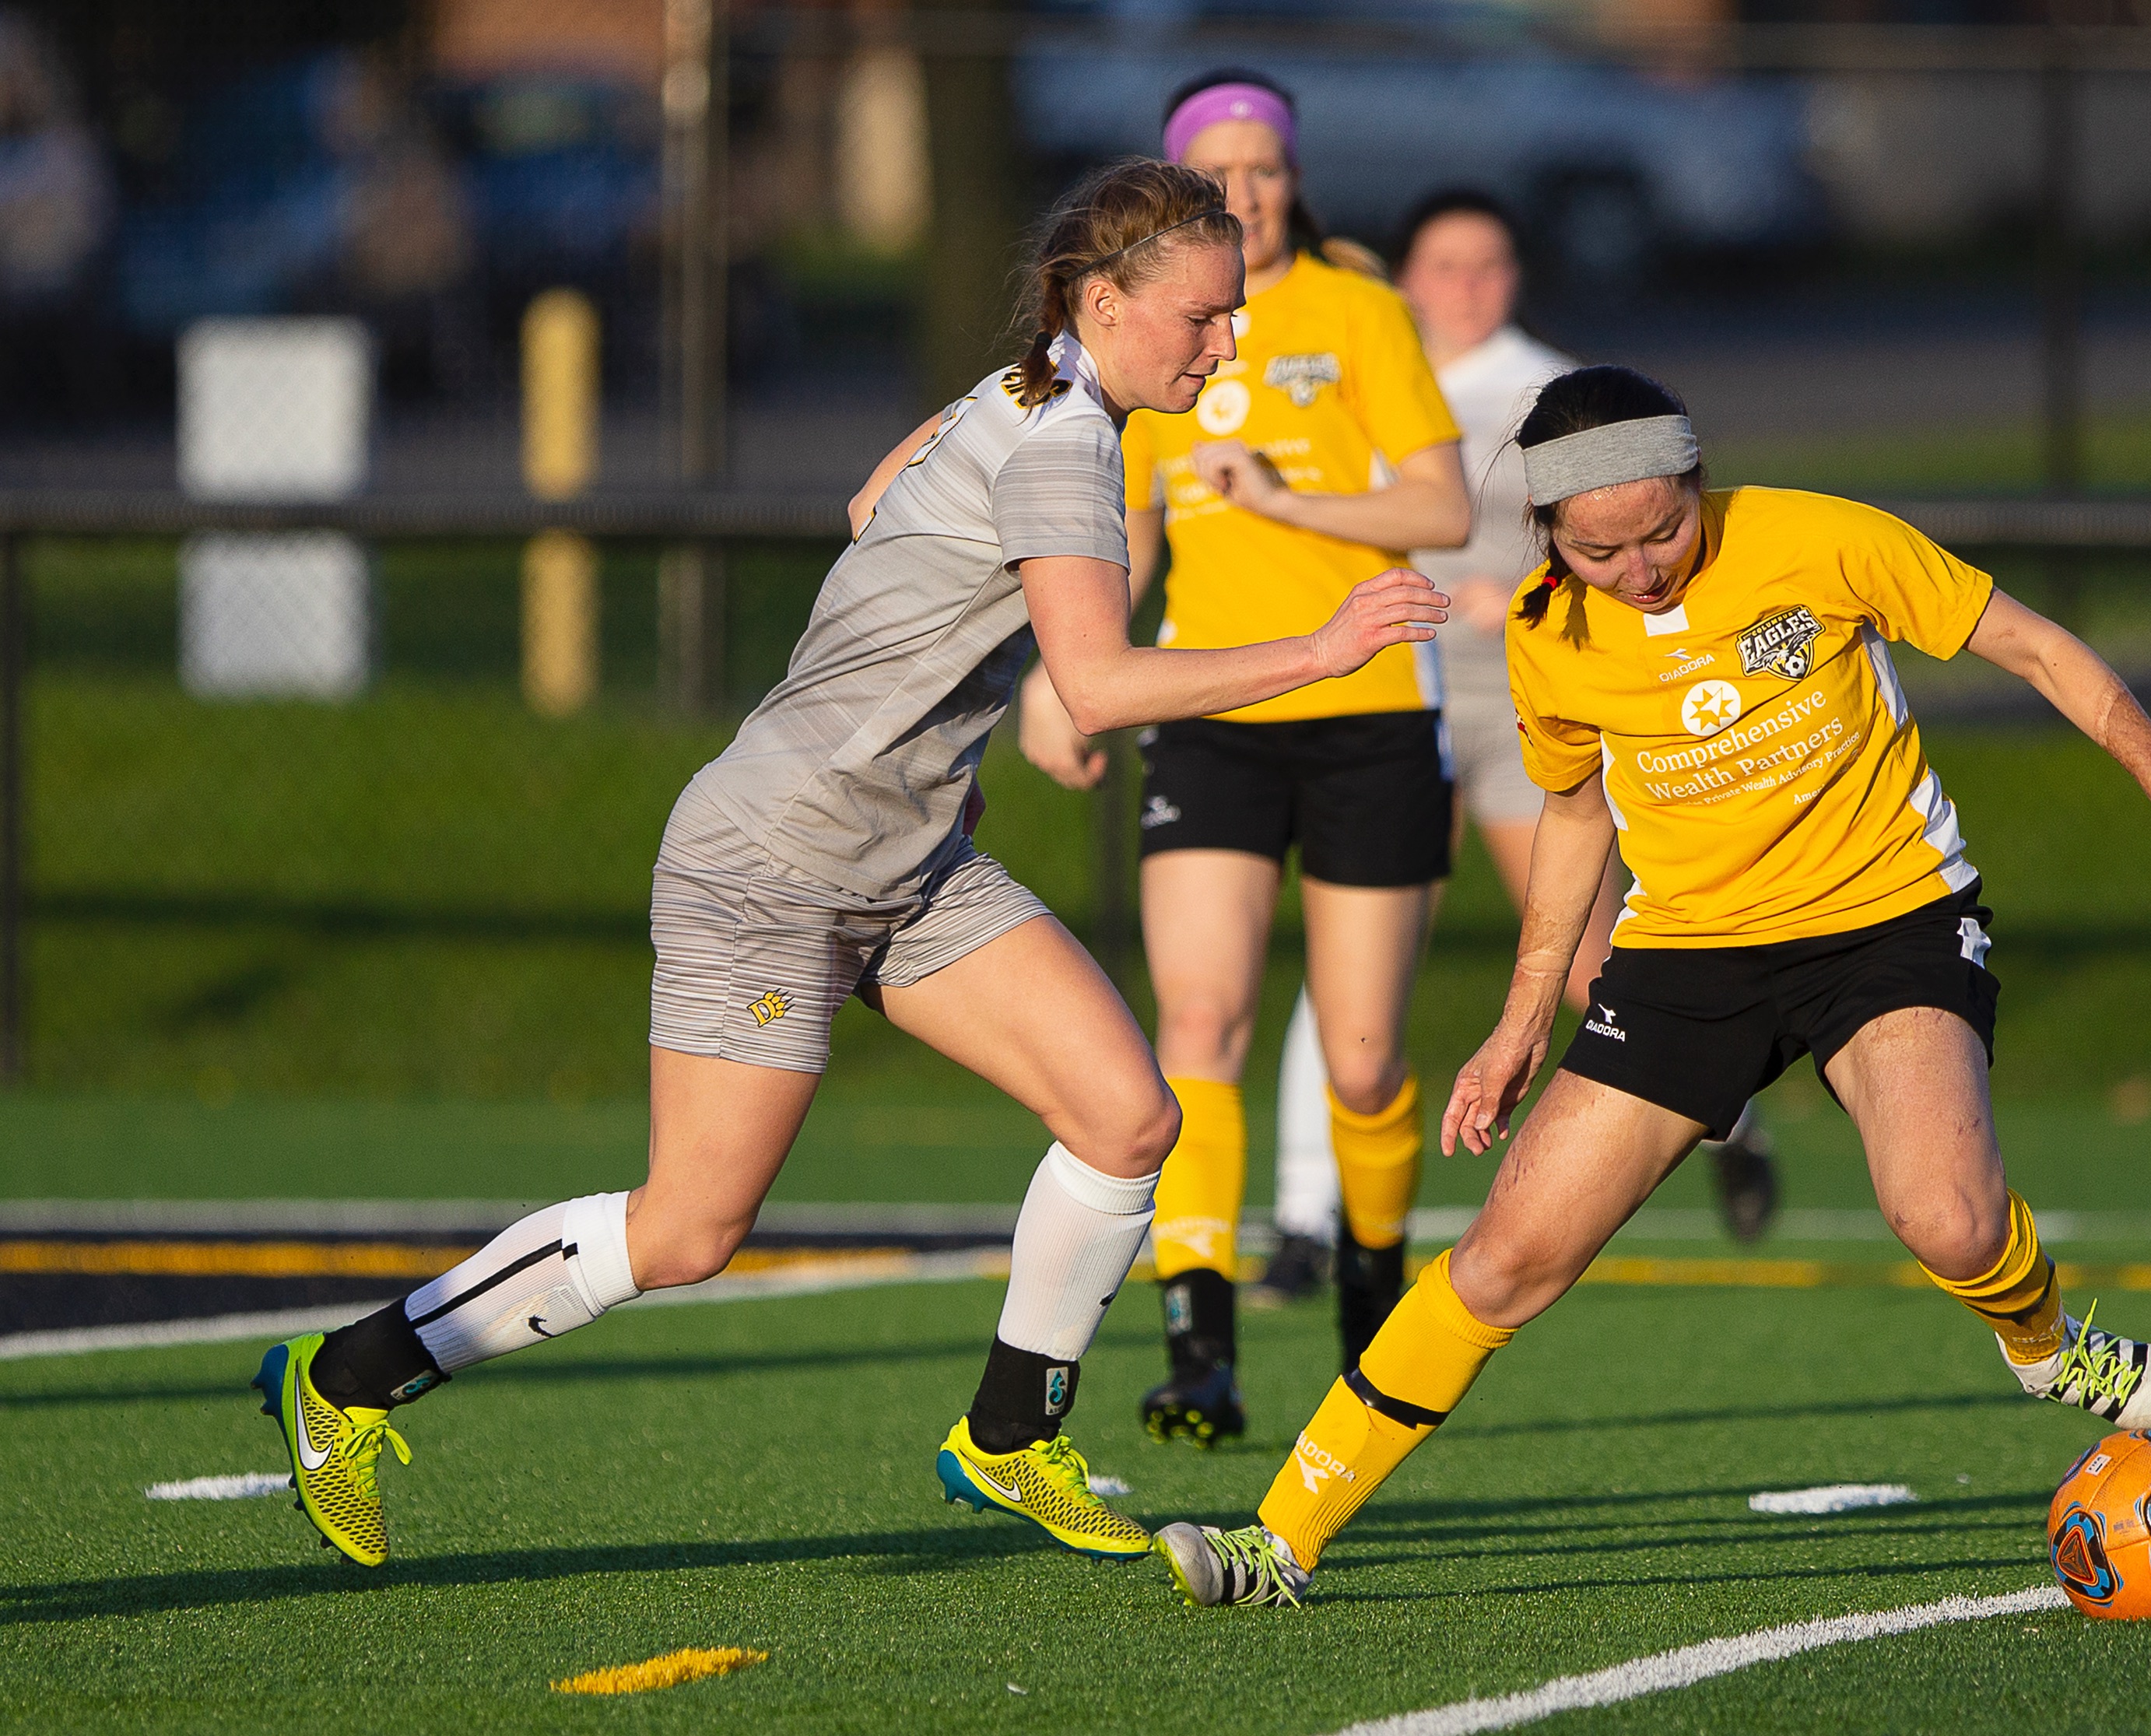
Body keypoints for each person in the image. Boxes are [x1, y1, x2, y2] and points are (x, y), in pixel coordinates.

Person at [248, 158, 1450, 1571]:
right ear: (1103, 300)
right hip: (774, 862)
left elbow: (875, 508)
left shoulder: (1023, 391)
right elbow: (1104, 683)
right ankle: (345, 1378)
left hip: (908, 856)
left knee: (1128, 1117)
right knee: (690, 1230)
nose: (1227, 341)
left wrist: (929, 742)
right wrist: (1321, 650)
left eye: (1233, 314)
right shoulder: (1063, 441)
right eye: (1201, 317)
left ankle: (1008, 1438)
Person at [1151, 366, 2151, 1608]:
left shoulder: (1820, 537)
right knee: (1506, 1257)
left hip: (1885, 923)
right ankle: (1279, 1542)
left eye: (1665, 529)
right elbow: (1572, 814)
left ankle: (2046, 1347)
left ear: (1698, 482)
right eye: (1599, 549)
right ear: (1546, 536)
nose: (1641, 568)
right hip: (1688, 956)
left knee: (1946, 1219)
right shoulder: (1545, 632)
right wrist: (1522, 1018)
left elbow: (2035, 645)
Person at [1019, 68, 1470, 1447]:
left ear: (1291, 173)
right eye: (1218, 172)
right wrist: (1058, 673)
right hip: (1210, 715)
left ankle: (1372, 1322)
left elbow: (1441, 505)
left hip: (1370, 710)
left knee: (1361, 1056)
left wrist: (1292, 497)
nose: (1248, 190)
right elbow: (1126, 534)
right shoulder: (1158, 338)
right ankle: (1197, 1347)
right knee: (1198, 1028)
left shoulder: (1358, 309)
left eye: (1263, 165)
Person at [1251, 194, 1777, 1311]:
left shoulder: (1550, 394)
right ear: (1408, 275)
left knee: (1591, 966)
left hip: (1515, 695)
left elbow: (1623, 548)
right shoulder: (1360, 368)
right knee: (1359, 959)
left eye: (1489, 265)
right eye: (1444, 265)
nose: (1467, 286)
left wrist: (1520, 595)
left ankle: (1729, 1119)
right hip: (1396, 695)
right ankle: (1301, 1215)